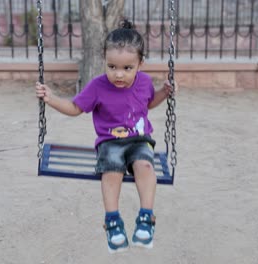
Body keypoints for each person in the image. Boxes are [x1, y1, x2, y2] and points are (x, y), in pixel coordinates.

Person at [35, 19, 177, 253]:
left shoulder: (144, 82)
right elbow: (75, 108)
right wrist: (50, 98)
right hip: (110, 142)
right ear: (104, 61)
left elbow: (148, 104)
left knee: (145, 165)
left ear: (140, 64)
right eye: (112, 67)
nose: (118, 74)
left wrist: (164, 92)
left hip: (141, 139)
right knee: (112, 170)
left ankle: (146, 218)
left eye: (127, 68)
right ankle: (113, 221)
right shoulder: (97, 86)